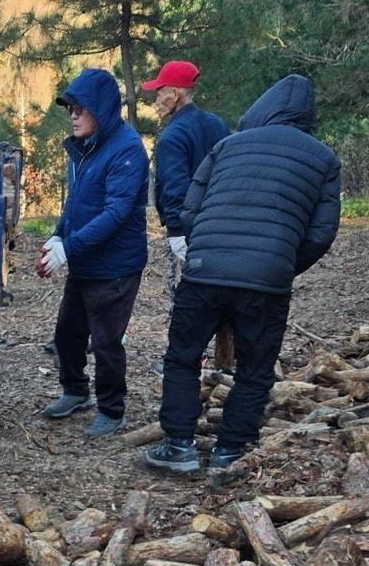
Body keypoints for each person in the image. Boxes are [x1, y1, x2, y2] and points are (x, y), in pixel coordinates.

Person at [145, 74, 340, 473]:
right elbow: (321, 232)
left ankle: (178, 446)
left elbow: (191, 210)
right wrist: (280, 262)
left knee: (182, 358)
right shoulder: (323, 159)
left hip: (204, 273)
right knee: (254, 369)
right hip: (266, 281)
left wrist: (206, 249)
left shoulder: (226, 146)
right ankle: (230, 449)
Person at [37, 68, 149, 437]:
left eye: (80, 109)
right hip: (84, 261)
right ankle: (74, 391)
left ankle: (112, 410)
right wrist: (58, 235)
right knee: (67, 333)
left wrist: (68, 247)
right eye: (69, 109)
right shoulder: (83, 150)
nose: (73, 116)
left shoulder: (127, 149)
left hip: (116, 266)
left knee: (105, 341)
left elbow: (116, 213)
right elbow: (75, 204)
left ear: (100, 110)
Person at [141, 60, 230, 329]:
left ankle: (194, 358)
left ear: (175, 94)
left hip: (191, 228)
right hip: (222, 222)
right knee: (224, 290)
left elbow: (175, 187)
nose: (156, 99)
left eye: (159, 92)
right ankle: (225, 356)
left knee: (191, 297)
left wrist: (177, 232)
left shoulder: (173, 136)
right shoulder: (218, 125)